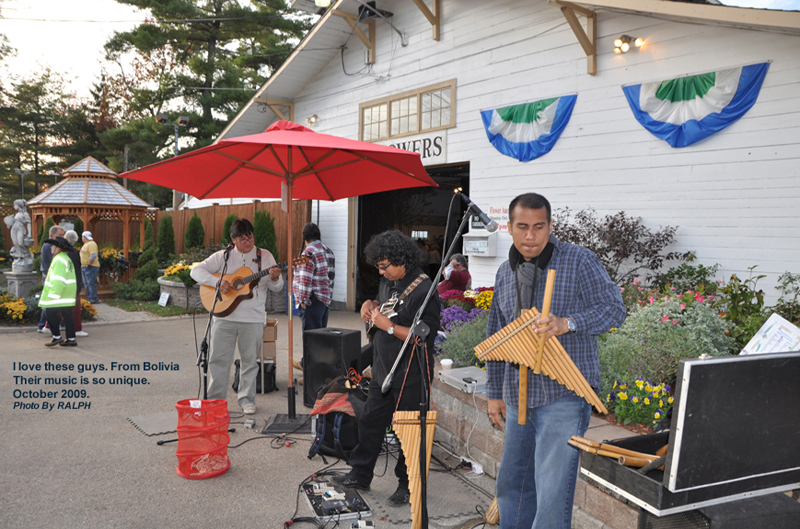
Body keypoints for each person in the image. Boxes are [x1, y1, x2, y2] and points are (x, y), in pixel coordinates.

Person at [486, 193, 626, 529]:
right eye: (522, 227)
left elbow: (614, 310)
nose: (530, 236)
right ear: (509, 227)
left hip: (563, 396)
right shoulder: (506, 272)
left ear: (550, 226)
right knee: (513, 486)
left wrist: (567, 323)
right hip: (518, 396)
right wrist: (494, 393)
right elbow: (498, 334)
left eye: (539, 227)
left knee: (551, 494)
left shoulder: (579, 261)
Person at [333, 231, 441, 506]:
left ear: (401, 259)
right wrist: (370, 306)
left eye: (384, 266)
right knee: (369, 422)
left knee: (408, 431)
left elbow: (421, 336)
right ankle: (360, 473)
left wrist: (388, 327)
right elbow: (385, 307)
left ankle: (407, 485)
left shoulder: (424, 289)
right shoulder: (389, 282)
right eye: (378, 266)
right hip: (383, 367)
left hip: (411, 373)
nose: (381, 272)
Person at [190, 219, 284, 415]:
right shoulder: (223, 256)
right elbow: (195, 270)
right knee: (218, 361)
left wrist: (275, 278)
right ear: (232, 240)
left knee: (250, 362)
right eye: (241, 238)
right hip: (224, 318)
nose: (247, 240)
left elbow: (278, 288)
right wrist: (217, 282)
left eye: (249, 235)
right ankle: (215, 402)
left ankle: (247, 400)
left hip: (253, 318)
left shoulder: (265, 257)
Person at [292, 223, 335, 372]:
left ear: (305, 237)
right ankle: (308, 364)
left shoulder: (308, 253)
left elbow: (305, 278)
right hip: (324, 300)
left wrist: (303, 300)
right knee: (320, 337)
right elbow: (332, 277)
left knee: (311, 339)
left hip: (312, 300)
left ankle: (311, 372)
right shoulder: (328, 251)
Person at [38, 236, 79, 347]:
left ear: (58, 248)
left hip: (59, 295)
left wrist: (53, 295)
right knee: (67, 316)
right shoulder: (65, 258)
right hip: (67, 294)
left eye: (53, 245)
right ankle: (71, 339)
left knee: (49, 312)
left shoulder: (58, 260)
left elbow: (58, 279)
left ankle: (56, 337)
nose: (51, 247)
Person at [38, 224, 66, 333]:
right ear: (53, 234)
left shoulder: (51, 244)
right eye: (60, 234)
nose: (62, 237)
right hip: (50, 277)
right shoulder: (49, 245)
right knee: (49, 302)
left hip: (50, 276)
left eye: (63, 235)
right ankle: (42, 325)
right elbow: (54, 261)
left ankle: (51, 324)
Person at [64, 230, 88, 338]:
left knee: (61, 306)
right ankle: (77, 328)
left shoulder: (63, 251)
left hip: (64, 282)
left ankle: (49, 326)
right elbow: (76, 269)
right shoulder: (73, 252)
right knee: (75, 307)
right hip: (73, 282)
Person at [80, 231, 101, 304]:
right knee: (86, 283)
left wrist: (88, 264)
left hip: (91, 266)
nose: (82, 238)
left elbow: (93, 255)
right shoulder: (86, 244)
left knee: (90, 283)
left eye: (82, 237)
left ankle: (93, 298)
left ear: (85, 237)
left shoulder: (92, 244)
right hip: (84, 266)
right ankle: (90, 297)